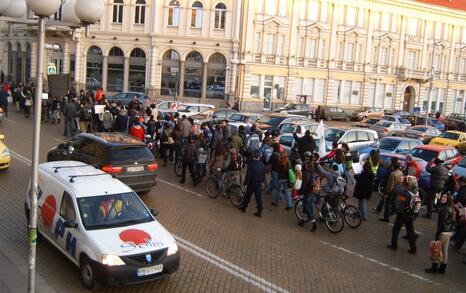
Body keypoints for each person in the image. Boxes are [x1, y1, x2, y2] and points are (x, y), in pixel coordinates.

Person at [387, 177, 421, 254]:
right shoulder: (416, 193)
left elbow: (399, 201)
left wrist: (397, 211)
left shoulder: (405, 194)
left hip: (402, 214)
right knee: (410, 232)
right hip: (411, 215)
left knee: (395, 230)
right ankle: (413, 248)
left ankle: (394, 245)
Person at [425, 192, 456, 274]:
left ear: (448, 199)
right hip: (448, 232)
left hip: (443, 232)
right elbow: (439, 208)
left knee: (436, 249)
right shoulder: (450, 208)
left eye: (445, 197)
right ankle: (443, 268)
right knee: (444, 250)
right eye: (442, 197)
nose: (443, 198)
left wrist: (438, 234)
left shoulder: (445, 209)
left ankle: (434, 268)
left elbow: (442, 223)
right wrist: (436, 200)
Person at [240, 150, 266, 217]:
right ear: (259, 157)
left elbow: (248, 175)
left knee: (247, 196)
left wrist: (245, 184)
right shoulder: (263, 165)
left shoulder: (251, 165)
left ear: (253, 156)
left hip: (252, 183)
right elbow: (264, 176)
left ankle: (244, 207)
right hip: (259, 183)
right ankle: (259, 211)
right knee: (258, 198)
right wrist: (262, 182)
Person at [379, 157, 403, 222]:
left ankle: (386, 218)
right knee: (394, 203)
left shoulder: (393, 174)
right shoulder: (401, 173)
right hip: (398, 190)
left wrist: (387, 192)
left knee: (387, 204)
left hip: (392, 191)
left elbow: (390, 184)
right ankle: (397, 213)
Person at [298, 160, 319, 231]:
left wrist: (299, 193)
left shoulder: (306, 174)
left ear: (307, 166)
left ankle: (314, 222)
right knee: (308, 206)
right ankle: (303, 221)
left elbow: (303, 186)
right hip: (314, 191)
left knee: (307, 206)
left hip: (308, 192)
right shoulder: (314, 173)